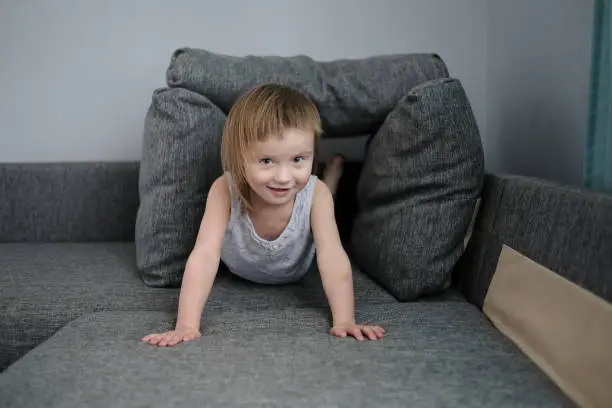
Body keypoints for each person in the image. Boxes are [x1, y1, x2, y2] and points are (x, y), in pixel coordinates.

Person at [141, 83, 385, 347]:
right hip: (239, 270)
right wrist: (186, 325)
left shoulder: (315, 193)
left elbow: (332, 255)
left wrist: (345, 320)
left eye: (298, 159)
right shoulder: (225, 189)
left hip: (296, 270)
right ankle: (326, 176)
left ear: (312, 154)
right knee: (311, 191)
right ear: (239, 158)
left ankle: (331, 178)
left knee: (322, 196)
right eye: (267, 161)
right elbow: (205, 253)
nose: (282, 177)